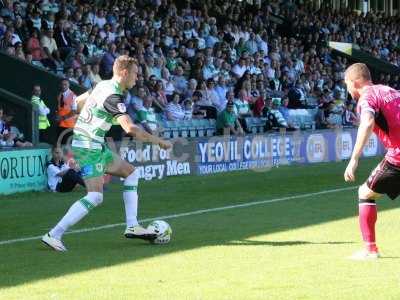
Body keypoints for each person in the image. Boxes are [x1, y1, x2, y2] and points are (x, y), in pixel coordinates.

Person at [42, 55, 172, 251]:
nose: (138, 78)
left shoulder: (101, 85)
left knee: (131, 173)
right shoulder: (113, 96)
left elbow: (77, 102)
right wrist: (158, 141)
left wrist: (89, 117)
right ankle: (54, 234)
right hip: (87, 146)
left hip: (93, 143)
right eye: (135, 74)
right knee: (95, 196)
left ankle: (132, 225)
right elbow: (130, 129)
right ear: (124, 72)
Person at [343, 63, 400, 260]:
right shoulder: (388, 90)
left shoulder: (367, 97)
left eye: (347, 84)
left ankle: (370, 249)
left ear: (355, 82)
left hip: (398, 156)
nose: (348, 89)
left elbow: (367, 123)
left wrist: (354, 159)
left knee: (365, 193)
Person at [56, 79, 77, 145]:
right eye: (62, 84)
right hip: (60, 124)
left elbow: (74, 111)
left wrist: (63, 118)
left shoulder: (73, 96)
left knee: (67, 146)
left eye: (65, 84)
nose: (63, 86)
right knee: (59, 145)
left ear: (69, 85)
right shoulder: (59, 94)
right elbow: (60, 109)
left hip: (68, 126)